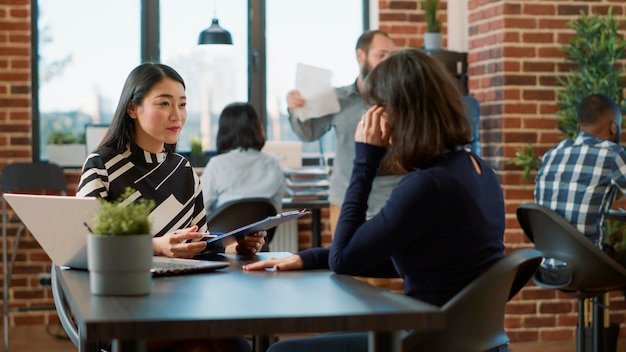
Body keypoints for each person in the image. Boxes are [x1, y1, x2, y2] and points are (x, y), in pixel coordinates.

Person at [245, 48, 506, 352]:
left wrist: (365, 161)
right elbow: (415, 260)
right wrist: (310, 258)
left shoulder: (426, 186)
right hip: (472, 342)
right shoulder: (476, 169)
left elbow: (345, 260)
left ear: (401, 113)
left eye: (381, 108)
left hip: (428, 342)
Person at [76, 63, 262, 352]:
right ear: (132, 109)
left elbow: (199, 239)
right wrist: (155, 246)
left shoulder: (184, 170)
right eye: (164, 103)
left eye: (183, 104)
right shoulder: (102, 165)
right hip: (123, 304)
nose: (177, 115)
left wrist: (233, 246)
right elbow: (85, 245)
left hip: (184, 299)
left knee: (233, 345)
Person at [286, 29, 404, 234]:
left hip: (393, 198)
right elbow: (308, 134)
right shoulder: (338, 99)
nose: (386, 62)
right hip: (346, 200)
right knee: (344, 262)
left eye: (390, 56)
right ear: (361, 56)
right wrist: (295, 109)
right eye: (381, 55)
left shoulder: (404, 100)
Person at [535, 93, 626, 266]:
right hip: (587, 265)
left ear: (579, 127)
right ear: (614, 127)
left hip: (547, 267)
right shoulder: (612, 153)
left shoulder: (551, 154)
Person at [200, 102, 284, 217]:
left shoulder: (217, 165)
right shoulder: (273, 164)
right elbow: (276, 209)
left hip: (224, 233)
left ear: (224, 131)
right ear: (257, 128)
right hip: (261, 233)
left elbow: (200, 207)